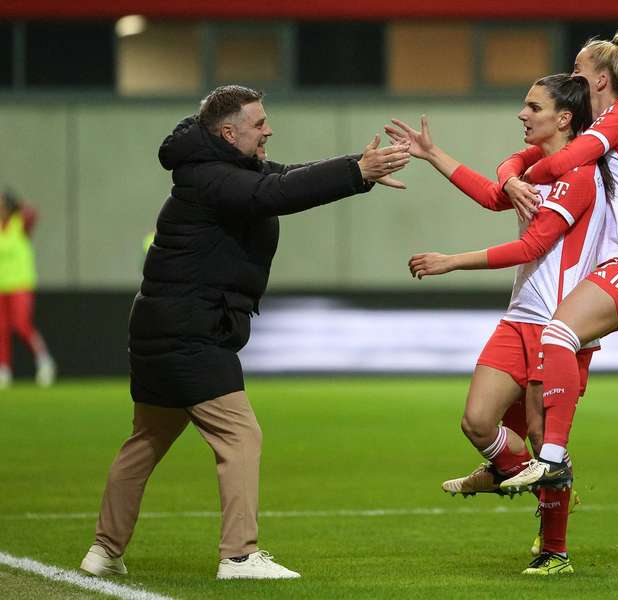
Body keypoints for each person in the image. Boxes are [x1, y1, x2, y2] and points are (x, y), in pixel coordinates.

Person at [79, 85, 410, 580]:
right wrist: (355, 173)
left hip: (162, 326)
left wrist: (356, 166)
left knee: (145, 440)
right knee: (240, 435)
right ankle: (238, 556)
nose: (268, 130)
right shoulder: (214, 178)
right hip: (189, 330)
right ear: (228, 133)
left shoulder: (218, 167)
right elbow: (274, 194)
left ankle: (104, 552)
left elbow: (286, 177)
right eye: (259, 124)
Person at [389, 73, 610, 576]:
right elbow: (495, 191)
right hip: (519, 319)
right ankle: (511, 472)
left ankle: (555, 551)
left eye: (533, 107)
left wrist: (451, 262)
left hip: (561, 326)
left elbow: (532, 247)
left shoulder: (580, 176)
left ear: (564, 118)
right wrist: (433, 153)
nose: (522, 115)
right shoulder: (538, 164)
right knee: (476, 421)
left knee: (542, 436)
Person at [495, 28, 618, 563]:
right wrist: (511, 176)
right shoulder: (603, 124)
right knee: (555, 348)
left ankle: (548, 458)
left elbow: (550, 164)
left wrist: (519, 176)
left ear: (600, 78)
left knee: (557, 332)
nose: (572, 79)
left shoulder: (616, 118)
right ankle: (547, 502)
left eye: (578, 72)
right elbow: (521, 160)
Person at [0, 188, 55, 389]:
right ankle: (4, 370)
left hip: (20, 284)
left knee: (21, 325)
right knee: (1, 329)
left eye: (3, 204)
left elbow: (32, 213)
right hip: (2, 287)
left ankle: (44, 361)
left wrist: (18, 203)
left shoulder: (19, 224)